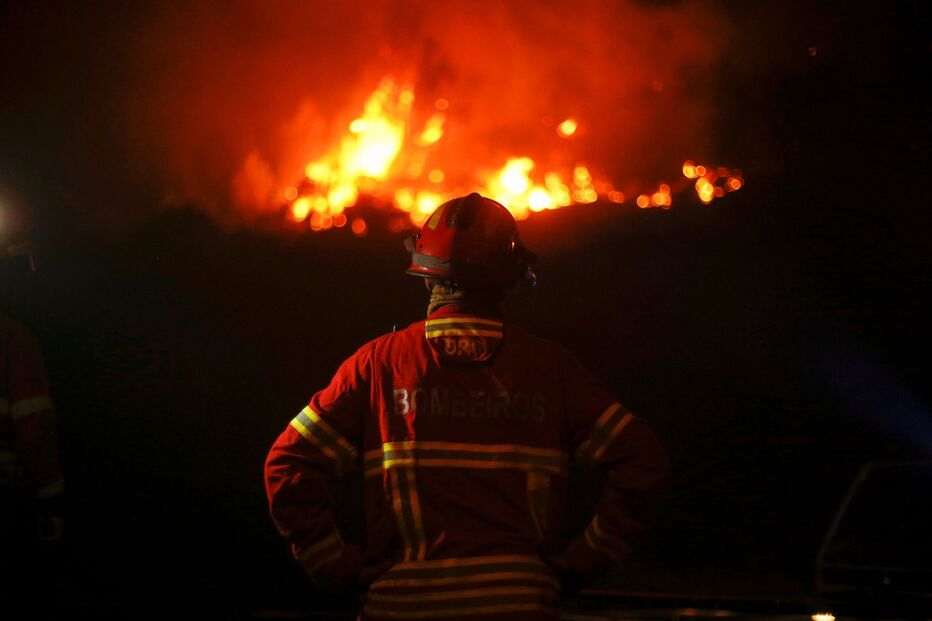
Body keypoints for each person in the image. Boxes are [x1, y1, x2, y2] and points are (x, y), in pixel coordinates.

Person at [265, 193, 669, 620]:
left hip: (402, 607)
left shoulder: (377, 365)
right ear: (511, 276)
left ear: (426, 274)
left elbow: (288, 464)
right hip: (521, 606)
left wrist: (334, 566)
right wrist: (585, 560)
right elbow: (643, 462)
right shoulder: (553, 370)